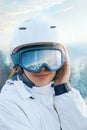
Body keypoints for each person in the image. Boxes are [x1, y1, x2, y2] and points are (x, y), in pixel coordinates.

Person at [0, 17, 87, 130]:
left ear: (63, 61)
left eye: (51, 60)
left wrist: (62, 89)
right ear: (18, 63)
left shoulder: (68, 95)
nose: (42, 69)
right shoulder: (9, 102)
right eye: (31, 61)